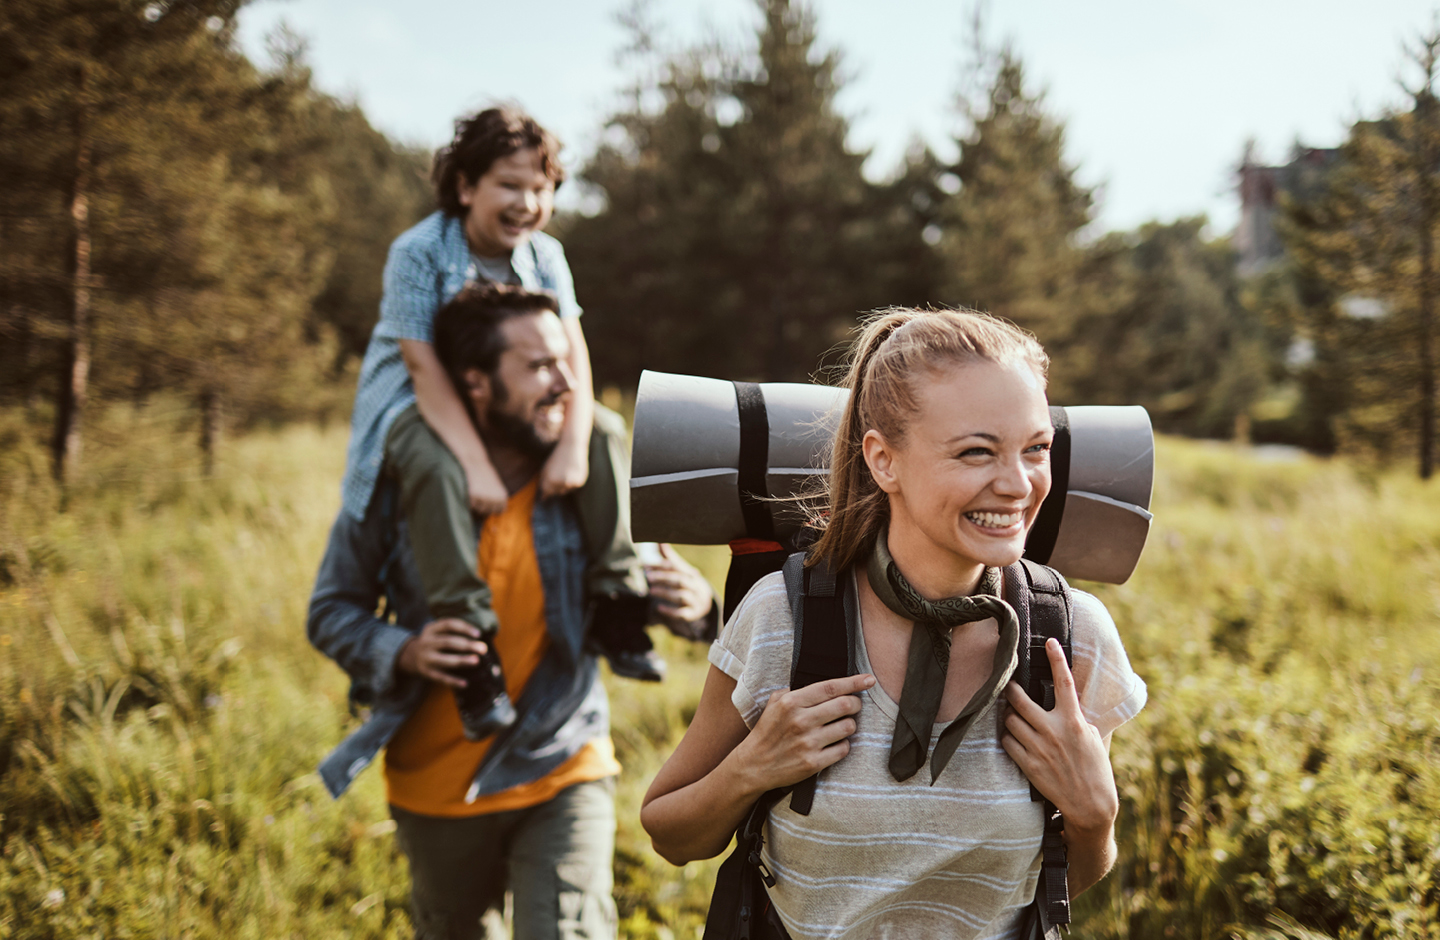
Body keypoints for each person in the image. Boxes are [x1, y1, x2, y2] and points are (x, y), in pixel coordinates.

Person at [640, 308, 1147, 939]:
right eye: (976, 452)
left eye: (1036, 448)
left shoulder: (1069, 639)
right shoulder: (782, 619)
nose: (1018, 484)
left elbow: (1057, 886)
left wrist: (1096, 815)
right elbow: (671, 835)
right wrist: (753, 767)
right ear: (884, 461)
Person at [310, 283, 718, 939]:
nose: (565, 383)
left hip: (561, 762)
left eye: (565, 360)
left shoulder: (583, 476)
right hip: (434, 783)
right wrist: (405, 650)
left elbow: (665, 593)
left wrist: (698, 607)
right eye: (538, 367)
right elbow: (331, 610)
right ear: (476, 382)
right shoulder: (402, 482)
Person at [339, 105, 665, 739]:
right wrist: (474, 461)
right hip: (418, 401)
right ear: (465, 187)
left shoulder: (546, 257)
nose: (527, 203)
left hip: (517, 399)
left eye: (540, 188)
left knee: (602, 430)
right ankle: (472, 647)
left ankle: (619, 601)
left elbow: (574, 352)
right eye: (509, 186)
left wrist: (572, 446)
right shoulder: (419, 252)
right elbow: (423, 365)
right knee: (433, 464)